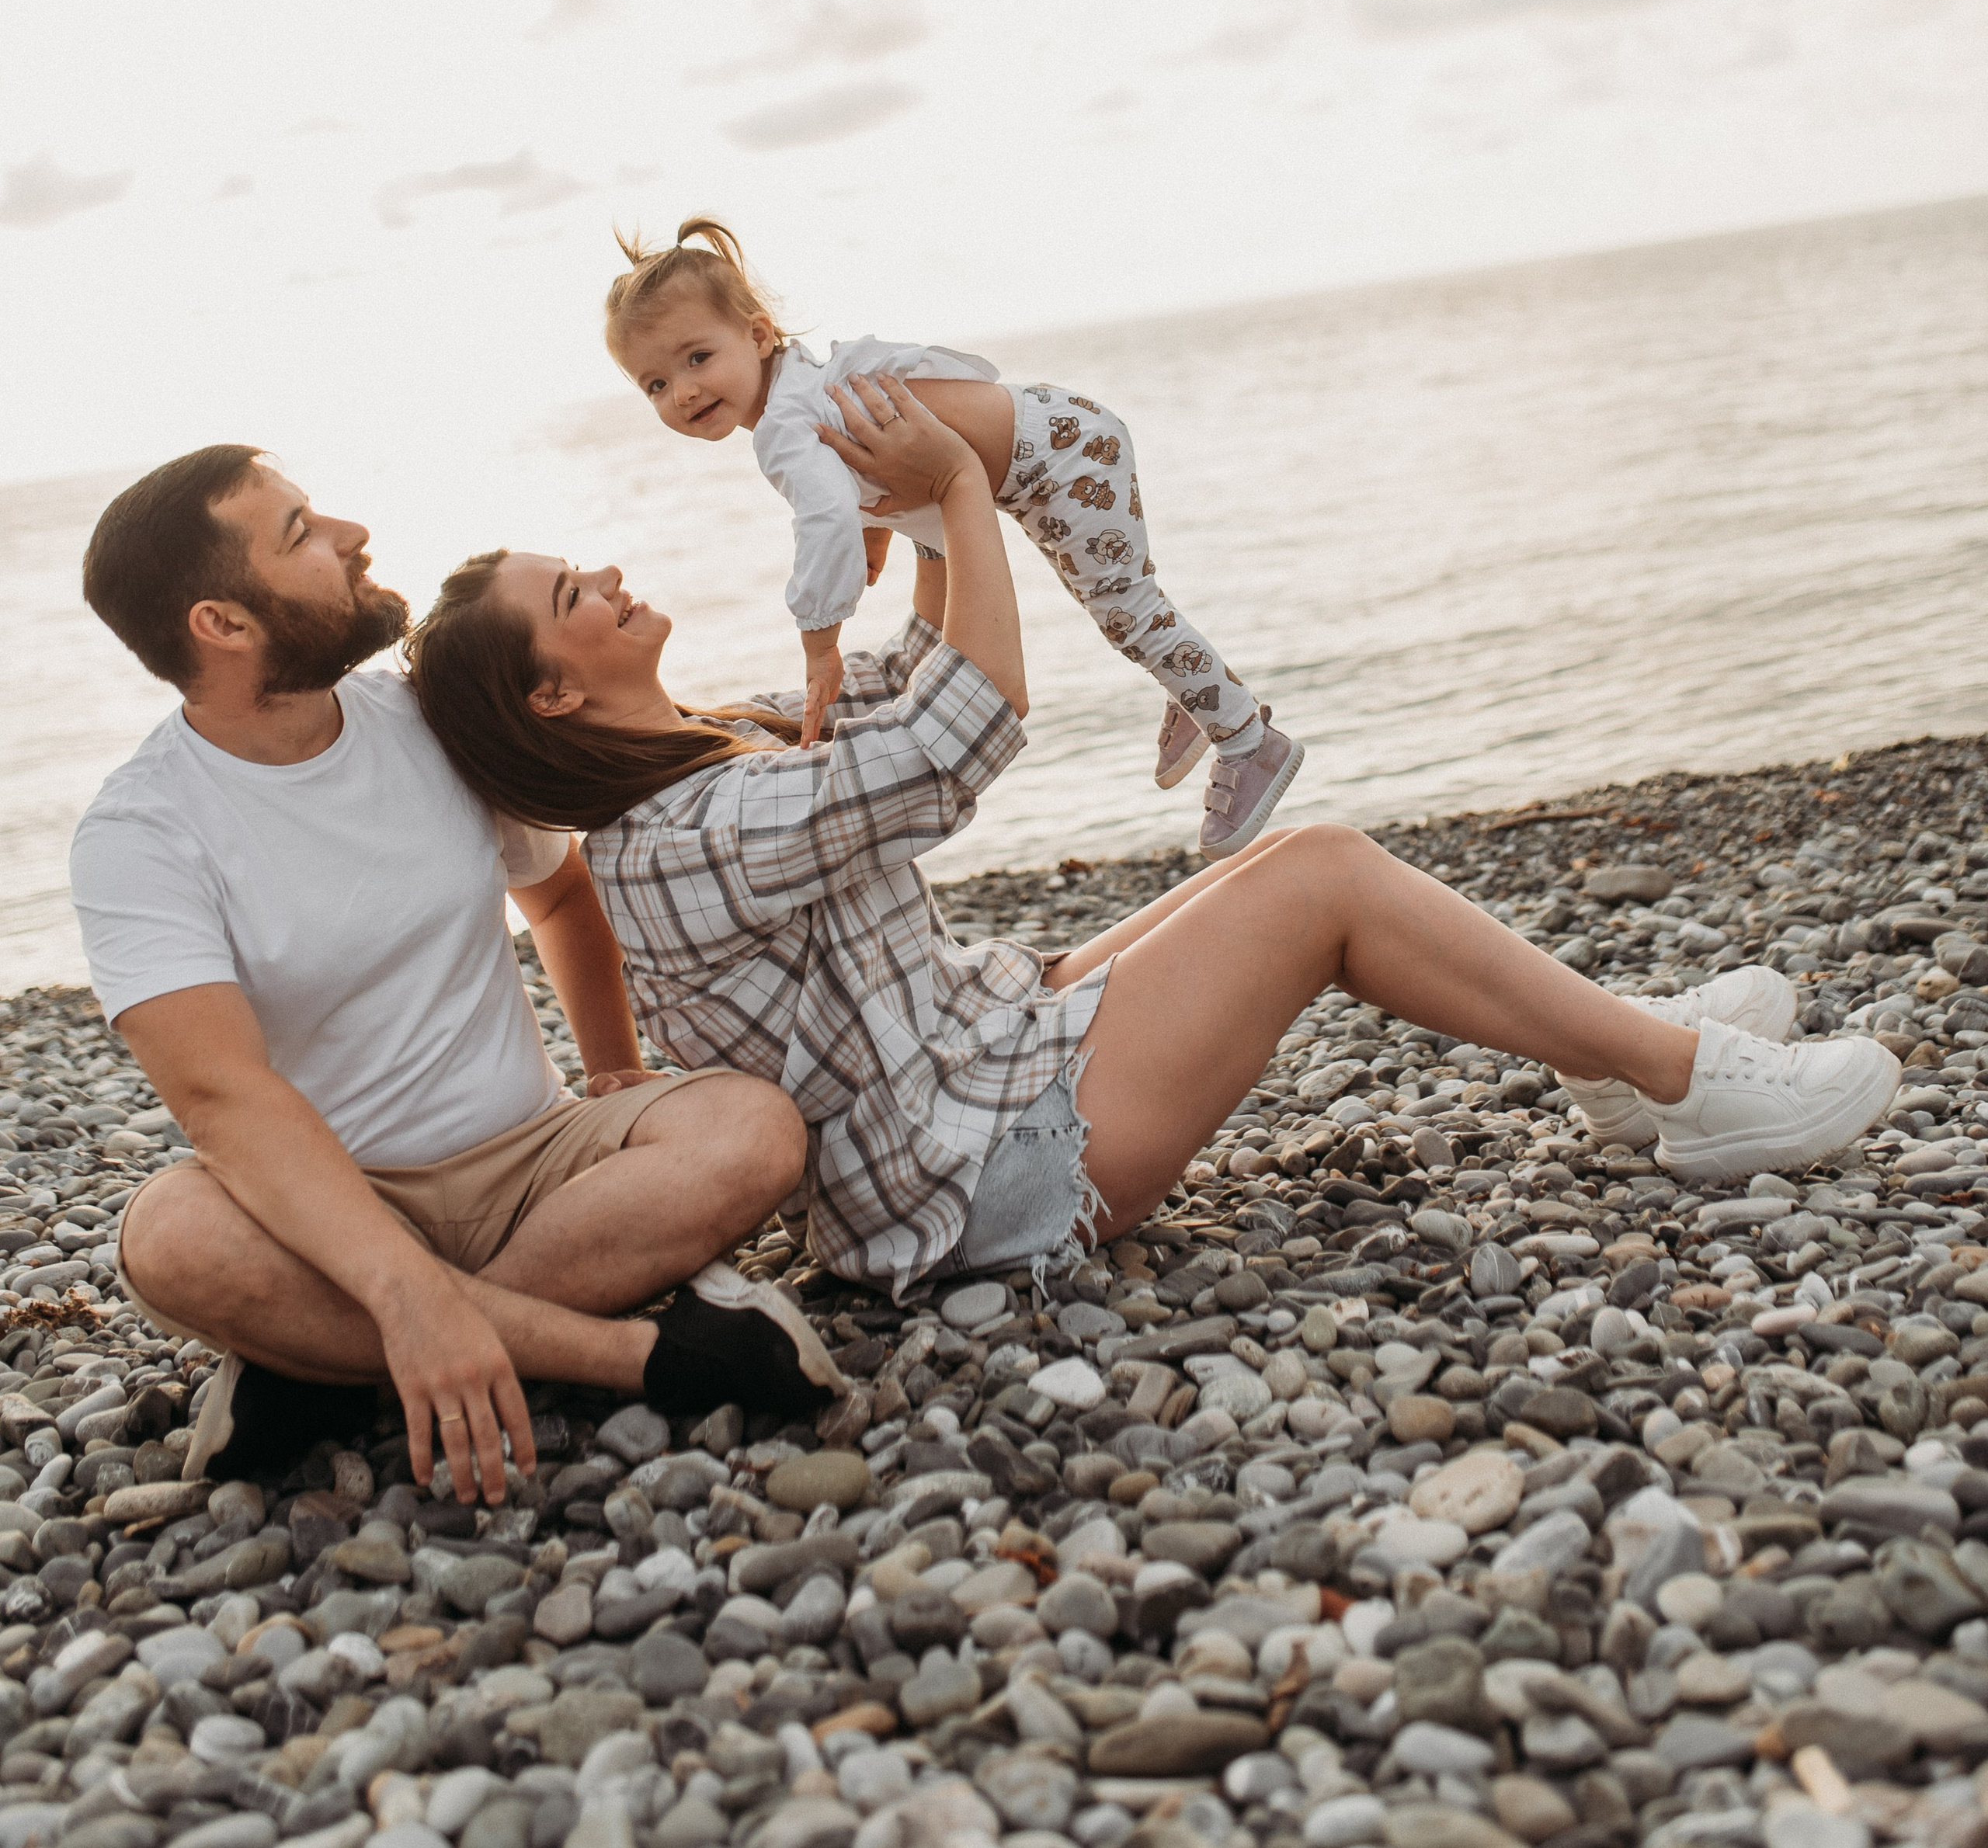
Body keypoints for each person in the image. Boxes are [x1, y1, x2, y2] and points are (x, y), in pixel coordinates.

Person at [406, 373, 1902, 1305]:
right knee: (1317, 876)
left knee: (1267, 863)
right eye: (570, 591)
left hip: (975, 1062)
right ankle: (1692, 1085)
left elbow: (911, 678)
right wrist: (968, 486)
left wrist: (919, 517)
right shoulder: (686, 829)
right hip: (978, 1184)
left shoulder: (714, 742)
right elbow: (968, 727)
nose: (602, 571)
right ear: (551, 689)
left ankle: (1610, 1048)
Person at [70, 446, 843, 1502]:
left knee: (752, 1127)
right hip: (334, 1207)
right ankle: (632, 1354)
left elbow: (562, 895)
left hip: (540, 1163)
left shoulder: (421, 716)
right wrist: (393, 1278)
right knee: (167, 1233)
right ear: (225, 623)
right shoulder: (140, 829)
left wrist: (614, 1068)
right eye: (299, 531)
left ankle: (335, 1372)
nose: (348, 531)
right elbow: (221, 1095)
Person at [600, 217, 1304, 860]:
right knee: (1120, 608)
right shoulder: (801, 387)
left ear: (757, 336)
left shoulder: (783, 430)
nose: (683, 392)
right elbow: (868, 478)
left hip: (1055, 463)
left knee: (1127, 608)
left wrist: (821, 642)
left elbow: (824, 522)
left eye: (697, 358)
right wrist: (879, 525)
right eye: (655, 383)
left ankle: (1247, 740)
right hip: (1058, 441)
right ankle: (1190, 683)